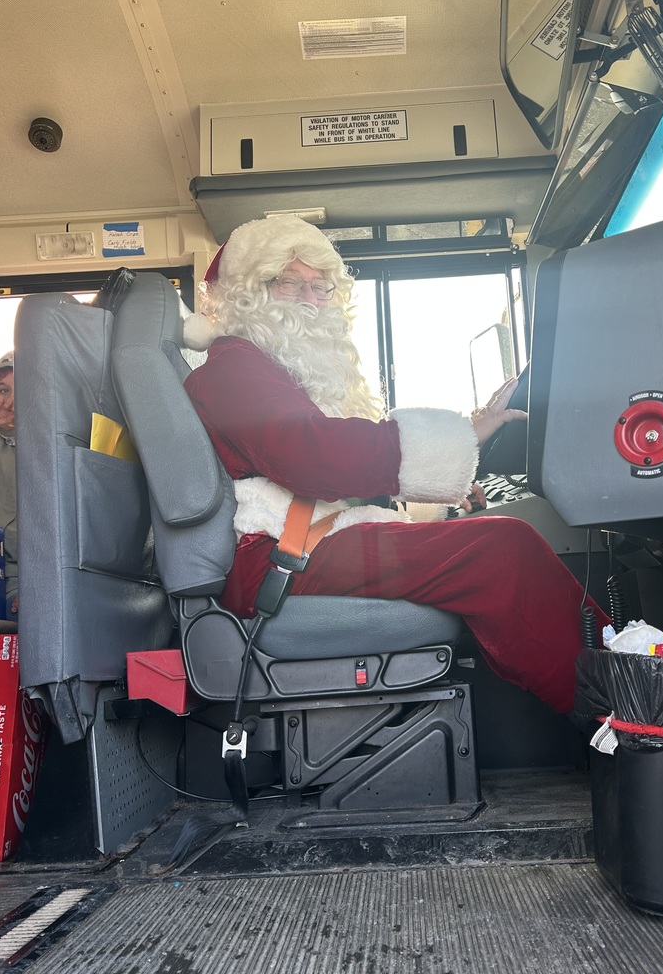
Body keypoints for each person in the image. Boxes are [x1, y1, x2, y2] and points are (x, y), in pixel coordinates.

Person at [183, 216, 609, 715]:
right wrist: (463, 435)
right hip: (279, 557)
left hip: (305, 542)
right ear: (250, 291)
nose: (309, 300)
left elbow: (323, 472)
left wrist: (439, 495)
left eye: (320, 286)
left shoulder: (270, 370)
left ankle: (623, 688)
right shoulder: (234, 368)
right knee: (505, 547)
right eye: (290, 283)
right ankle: (628, 710)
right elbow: (312, 457)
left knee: (494, 541)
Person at [0, 352, 17, 616]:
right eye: (3, 390)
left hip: (21, 582)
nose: (9, 402)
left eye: (19, 391)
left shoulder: (46, 449)